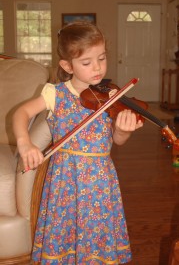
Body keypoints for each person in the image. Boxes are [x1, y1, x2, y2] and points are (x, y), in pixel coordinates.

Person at [12, 21, 143, 264]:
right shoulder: (55, 93)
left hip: (100, 181)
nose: (97, 68)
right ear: (66, 65)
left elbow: (118, 140)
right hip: (65, 180)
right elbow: (21, 113)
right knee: (64, 233)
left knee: (96, 236)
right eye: (87, 62)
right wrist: (25, 143)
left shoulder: (111, 96)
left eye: (102, 58)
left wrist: (125, 130)